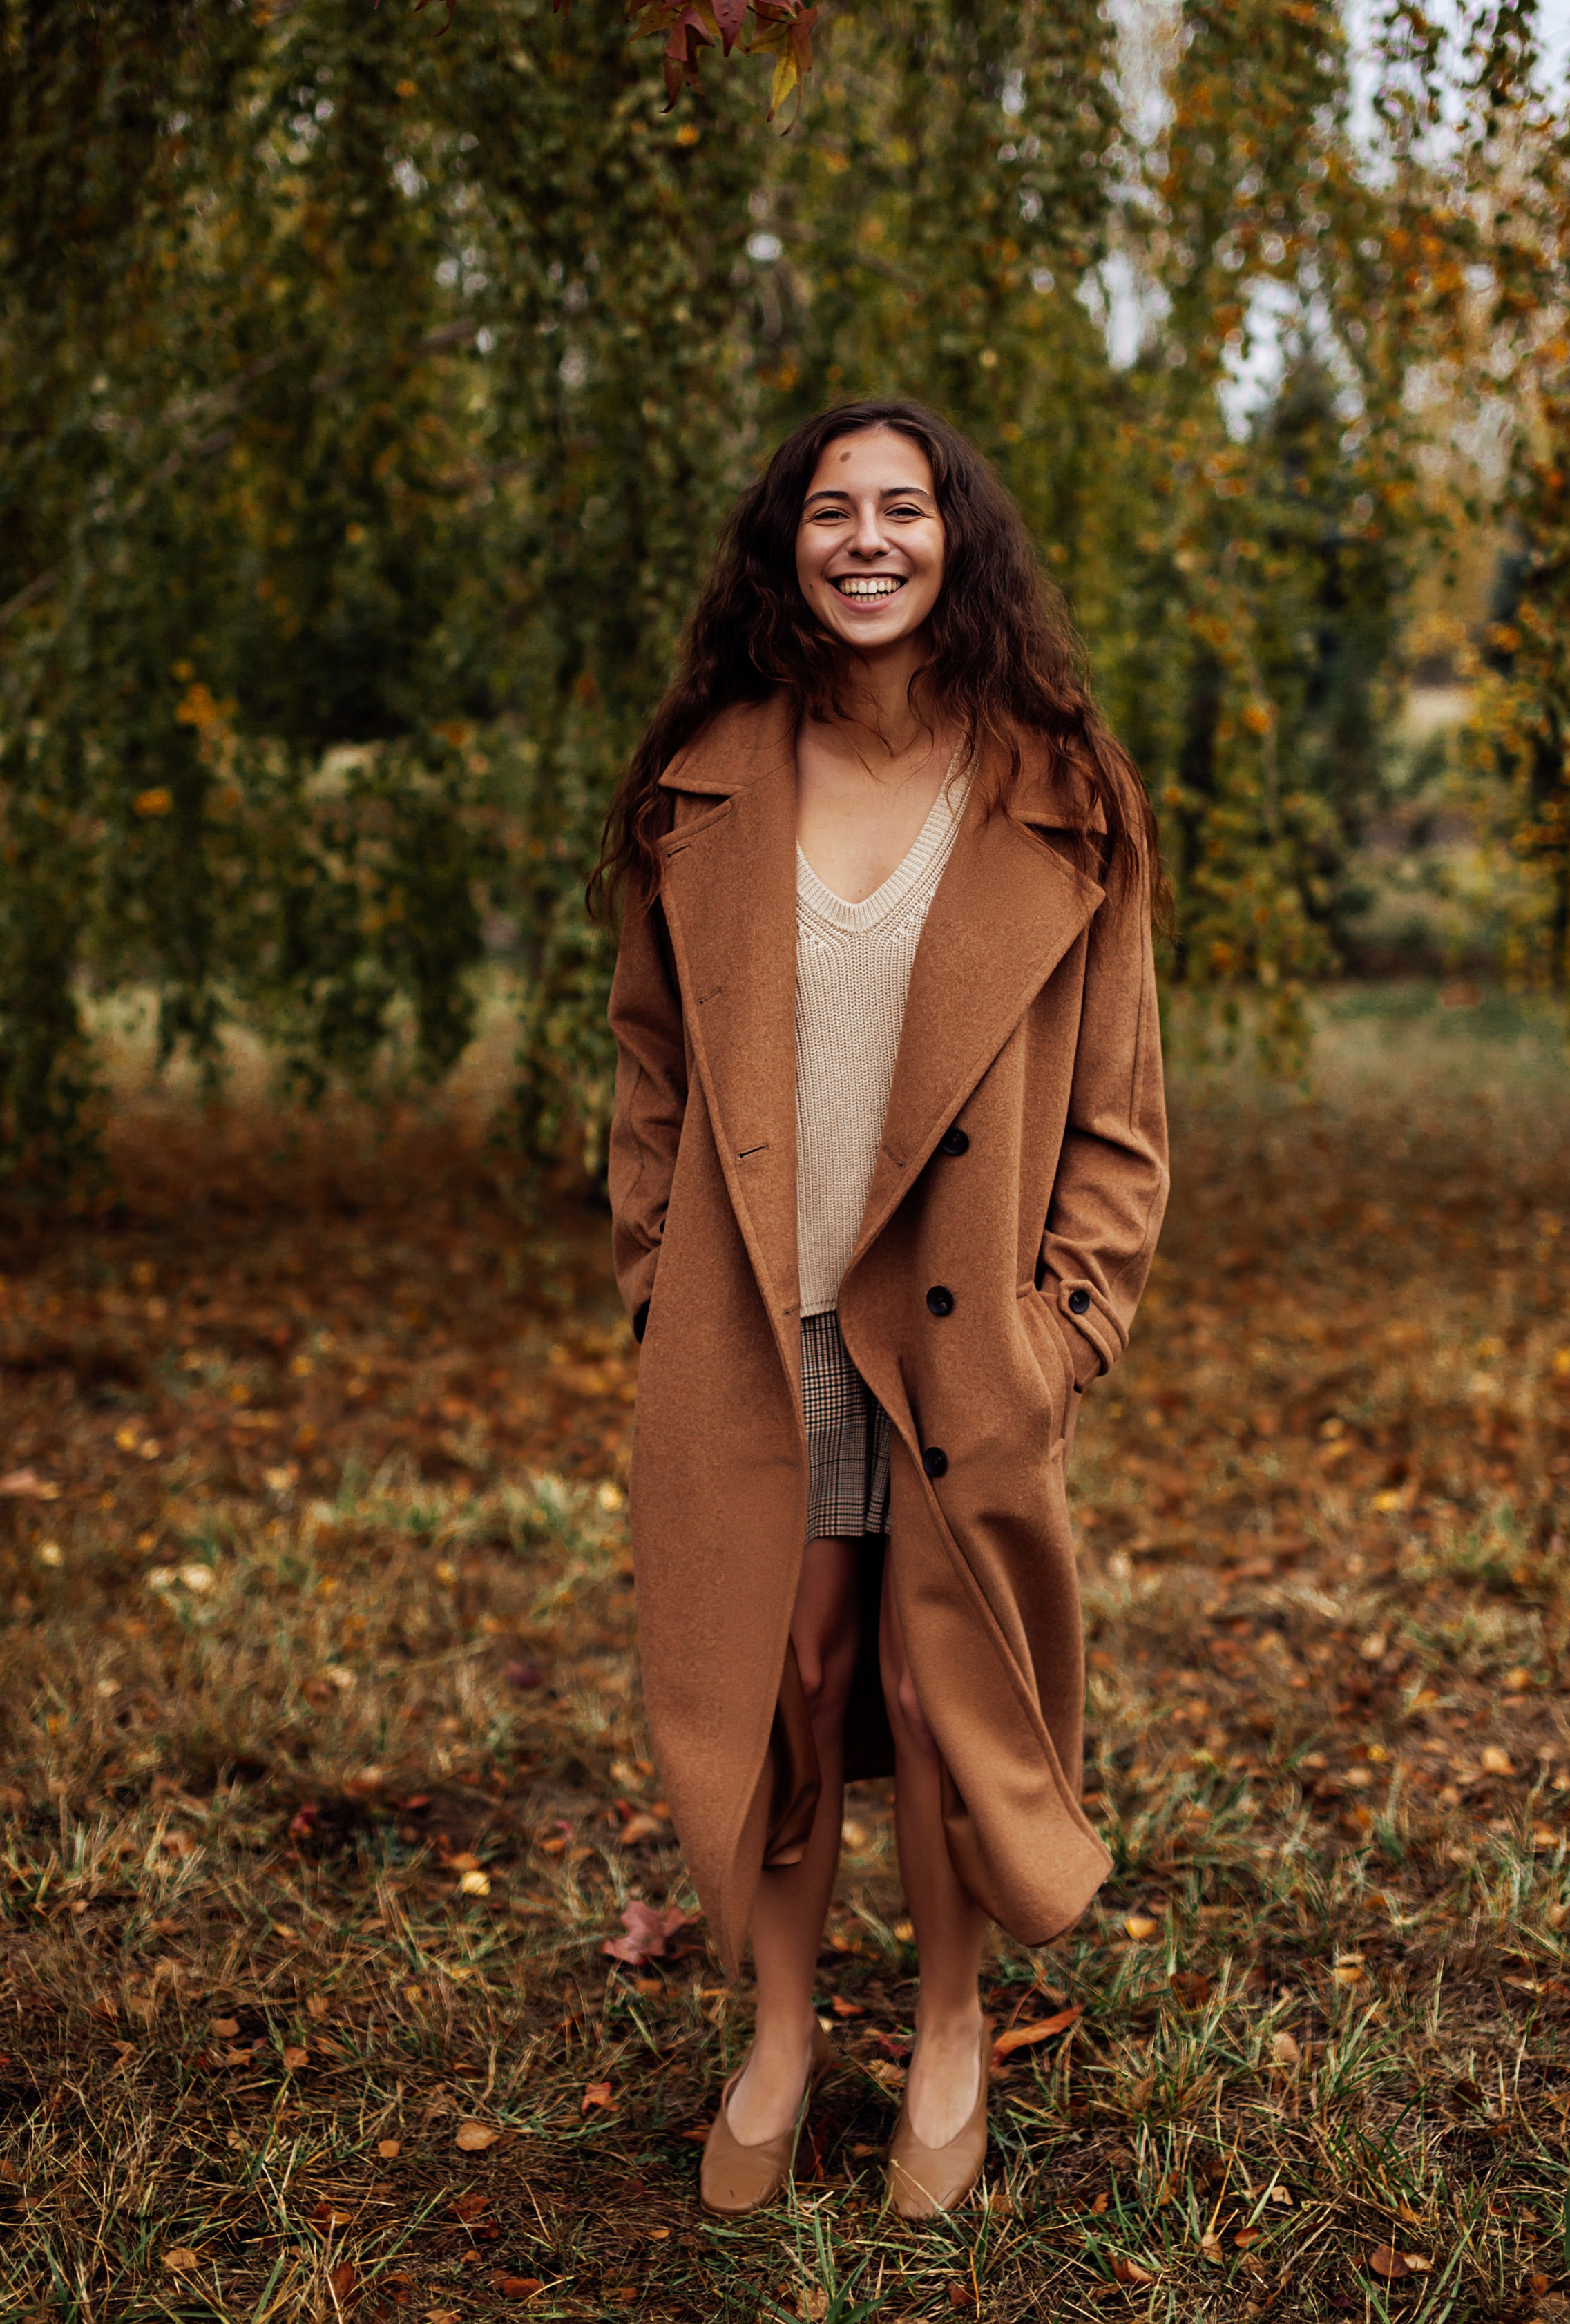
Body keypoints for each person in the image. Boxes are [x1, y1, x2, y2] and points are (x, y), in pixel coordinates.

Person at [595, 398, 1169, 2220]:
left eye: (901, 508)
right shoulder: (700, 776)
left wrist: (1060, 1334)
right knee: (794, 1676)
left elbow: (1123, 1121)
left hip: (951, 1340)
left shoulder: (1060, 787)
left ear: (954, 542)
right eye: (828, 509)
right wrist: (648, 1292)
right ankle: (776, 2037)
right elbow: (647, 1078)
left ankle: (940, 2036)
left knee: (937, 1696)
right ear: (787, 547)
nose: (864, 538)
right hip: (752, 1332)